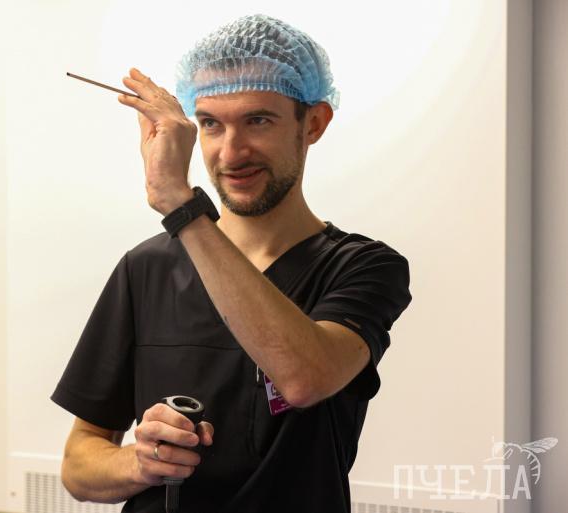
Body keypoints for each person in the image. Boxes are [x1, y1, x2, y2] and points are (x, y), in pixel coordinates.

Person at [52, 14, 412, 513]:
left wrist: (182, 208)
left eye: (258, 120)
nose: (231, 152)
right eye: (210, 124)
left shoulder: (362, 267)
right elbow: (79, 465)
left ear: (313, 123)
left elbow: (304, 379)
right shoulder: (147, 268)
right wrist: (142, 462)